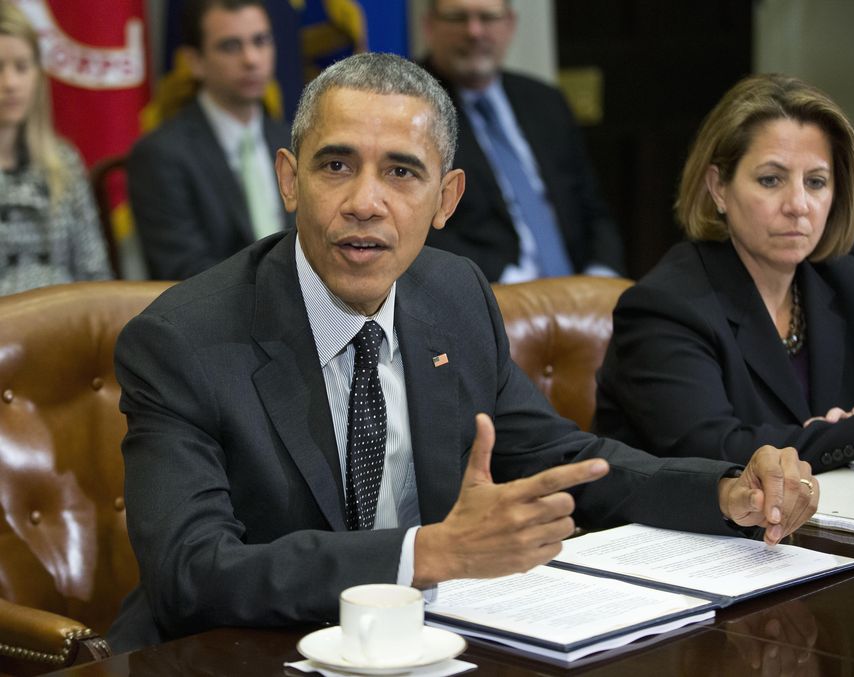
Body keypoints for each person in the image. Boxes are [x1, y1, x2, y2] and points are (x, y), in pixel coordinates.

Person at [107, 54, 817, 653]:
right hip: (240, 655)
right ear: (290, 180)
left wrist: (722, 490)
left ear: (446, 198)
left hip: (426, 647)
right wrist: (427, 554)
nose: (364, 201)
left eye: (402, 173)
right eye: (336, 165)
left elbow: (560, 458)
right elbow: (190, 572)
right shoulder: (183, 342)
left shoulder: (452, 295)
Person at [594, 74, 854, 473]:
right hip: (687, 532)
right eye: (771, 179)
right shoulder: (666, 306)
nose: (798, 205)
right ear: (719, 188)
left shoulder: (850, 283)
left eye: (816, 182)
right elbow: (716, 450)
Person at [420, 0, 624, 282]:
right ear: (430, 26)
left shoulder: (545, 100)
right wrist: (507, 282)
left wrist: (602, 276)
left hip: (581, 296)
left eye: (488, 17)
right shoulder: (411, 108)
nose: (475, 31)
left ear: (510, 25)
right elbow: (416, 224)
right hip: (489, 295)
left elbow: (592, 208)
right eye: (458, 18)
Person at [128, 0, 294, 281]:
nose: (252, 59)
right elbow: (184, 271)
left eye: (261, 41)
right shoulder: (160, 155)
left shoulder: (293, 140)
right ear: (195, 62)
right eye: (231, 46)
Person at [0, 1, 111, 295]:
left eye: (22, 67)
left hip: (67, 328)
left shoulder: (64, 160)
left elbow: (95, 272)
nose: (10, 83)